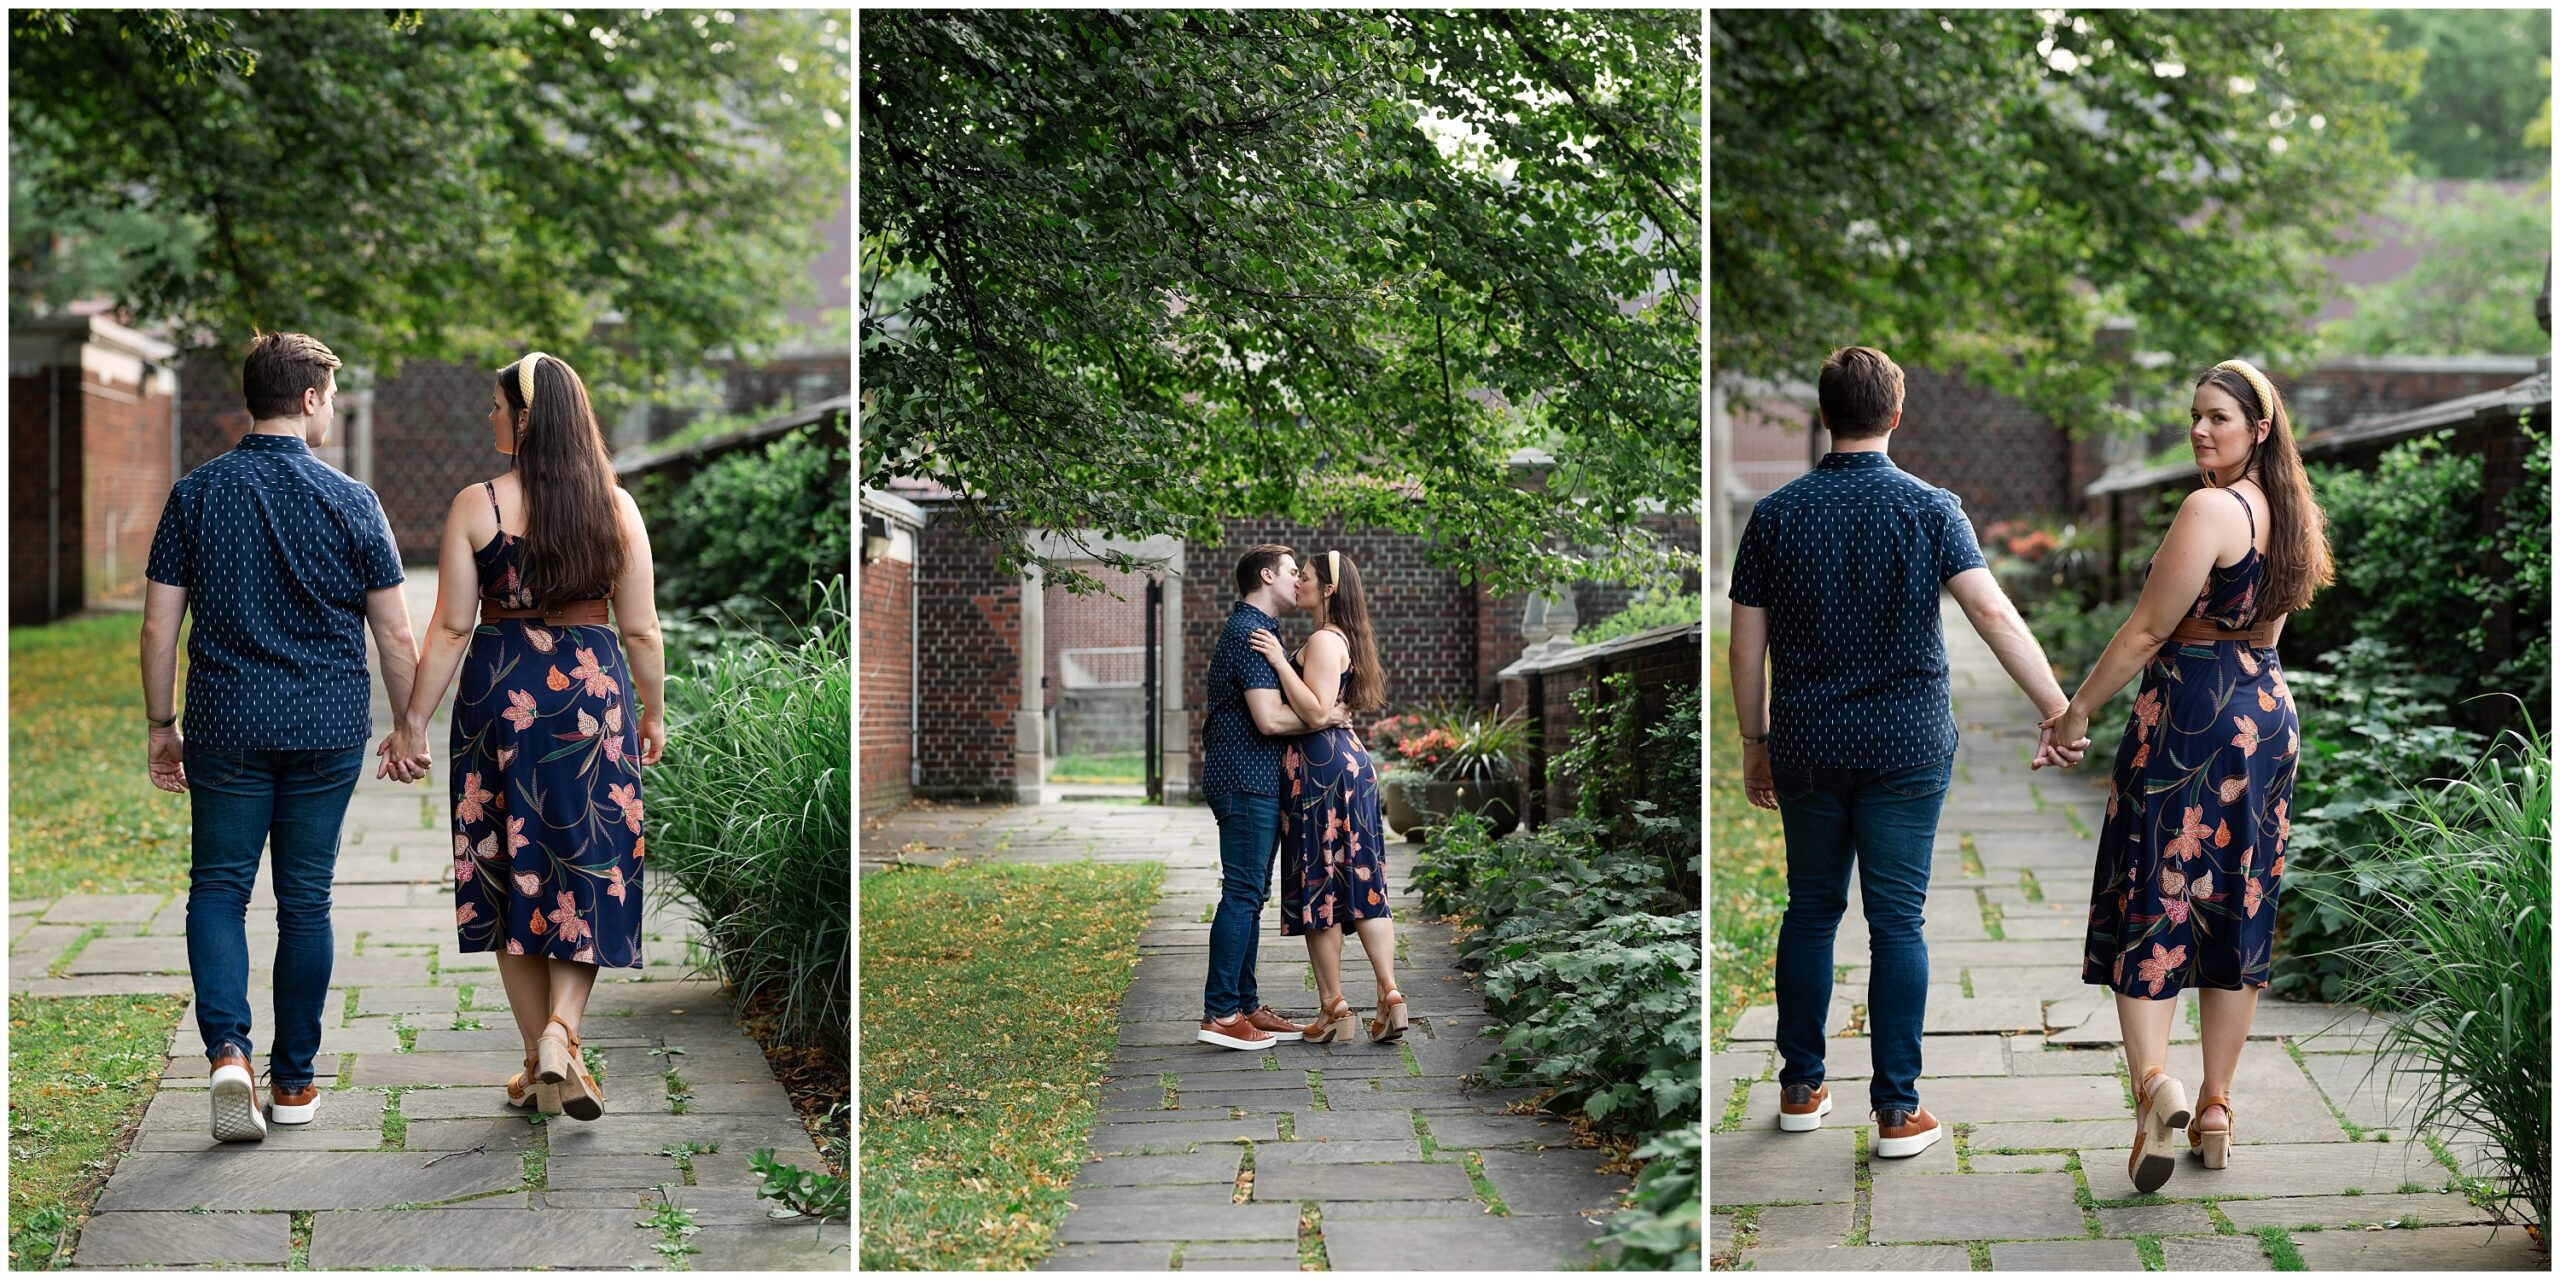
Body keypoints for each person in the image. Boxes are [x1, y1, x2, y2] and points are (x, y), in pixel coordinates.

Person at [1727, 344, 2086, 1160]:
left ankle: (1799, 1088)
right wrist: (2059, 709)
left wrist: (1756, 743)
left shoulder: (1776, 515)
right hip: (1906, 744)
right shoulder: (1932, 508)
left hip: (1808, 741)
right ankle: (1896, 1111)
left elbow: (1745, 650)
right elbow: (1993, 616)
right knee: (1897, 921)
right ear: (1896, 413)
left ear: (1825, 416)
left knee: (1811, 908)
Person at [2039, 359, 2327, 1192]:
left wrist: (2075, 711)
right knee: (2238, 897)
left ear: (2259, 428)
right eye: (2195, 415)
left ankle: (2153, 1091)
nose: (2200, 431)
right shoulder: (2291, 512)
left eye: (2218, 419)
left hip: (2189, 715)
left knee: (2153, 891)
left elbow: (2143, 631)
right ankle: (2215, 1111)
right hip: (2265, 714)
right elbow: (2268, 633)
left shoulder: (2210, 507)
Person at [142, 331, 424, 1142]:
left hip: (226, 723)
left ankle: (229, 1051)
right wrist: (406, 727)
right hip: (327, 727)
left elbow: (159, 628)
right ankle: (294, 1086)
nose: (331, 408)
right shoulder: (352, 500)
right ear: (308, 398)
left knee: (219, 889)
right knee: (306, 901)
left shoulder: (195, 495)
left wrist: (163, 725)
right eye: (330, 395)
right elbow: (396, 637)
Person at [382, 351, 667, 1120]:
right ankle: (559, 1039)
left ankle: (543, 1055)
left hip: (500, 694)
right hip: (591, 696)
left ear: (527, 418)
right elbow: (640, 630)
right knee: (588, 864)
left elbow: (448, 626)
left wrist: (412, 721)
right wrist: (652, 712)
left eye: (498, 406)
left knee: (511, 868)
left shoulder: (478, 505)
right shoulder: (617, 507)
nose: (489, 417)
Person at [1196, 544, 1352, 1051]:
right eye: (1291, 572)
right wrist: (1324, 716)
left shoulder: (1262, 633)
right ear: (1267, 576)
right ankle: (1221, 1013)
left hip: (1255, 779)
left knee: (1251, 893)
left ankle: (1245, 1004)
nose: (1298, 579)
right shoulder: (1250, 633)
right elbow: (1268, 720)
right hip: (1244, 778)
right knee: (1242, 893)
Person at [1246, 550, 1404, 1044]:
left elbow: (1314, 713)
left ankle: (1334, 1005)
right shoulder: (1344, 638)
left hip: (1320, 771)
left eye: (1307, 578)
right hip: (1350, 766)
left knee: (1319, 883)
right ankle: (1390, 996)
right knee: (1363, 879)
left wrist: (1276, 658)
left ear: (1328, 589)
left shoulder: (1320, 639)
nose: (1299, 585)